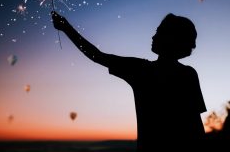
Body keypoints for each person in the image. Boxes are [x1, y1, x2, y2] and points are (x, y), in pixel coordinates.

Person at [51, 11, 207, 151]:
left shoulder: (142, 70)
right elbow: (196, 126)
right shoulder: (188, 74)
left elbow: (96, 56)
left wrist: (66, 28)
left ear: (171, 39)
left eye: (159, 32)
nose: (153, 36)